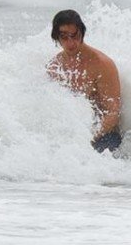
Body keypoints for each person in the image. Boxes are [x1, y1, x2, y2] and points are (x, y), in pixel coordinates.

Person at [46, 9, 123, 152]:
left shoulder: (102, 64)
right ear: (56, 37)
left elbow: (113, 113)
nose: (70, 43)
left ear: (82, 33)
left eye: (75, 36)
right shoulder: (54, 66)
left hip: (105, 135)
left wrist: (88, 139)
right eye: (64, 37)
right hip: (73, 133)